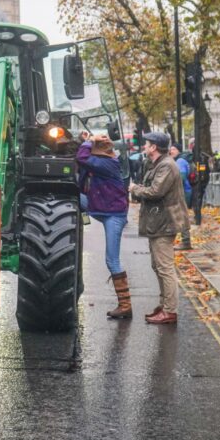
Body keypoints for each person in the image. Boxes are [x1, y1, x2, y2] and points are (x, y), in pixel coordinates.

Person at [129, 132, 189, 325]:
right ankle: (164, 305)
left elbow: (155, 191)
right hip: (158, 221)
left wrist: (134, 189)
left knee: (165, 268)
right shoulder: (157, 164)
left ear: (154, 147)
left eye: (147, 144)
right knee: (158, 266)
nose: (145, 147)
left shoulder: (166, 165)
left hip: (165, 222)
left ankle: (170, 311)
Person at [77, 132, 131, 319]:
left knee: (111, 260)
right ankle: (84, 219)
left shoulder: (108, 164)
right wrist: (84, 139)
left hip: (114, 215)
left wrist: (88, 142)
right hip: (100, 207)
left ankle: (125, 305)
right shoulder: (101, 162)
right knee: (75, 198)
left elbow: (82, 158)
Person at [170, 143, 193, 250]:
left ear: (178, 150)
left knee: (181, 216)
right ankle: (180, 240)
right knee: (178, 216)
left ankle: (186, 242)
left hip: (183, 192)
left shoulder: (180, 161)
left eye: (174, 149)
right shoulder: (178, 160)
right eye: (170, 149)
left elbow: (182, 177)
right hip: (182, 191)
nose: (171, 151)